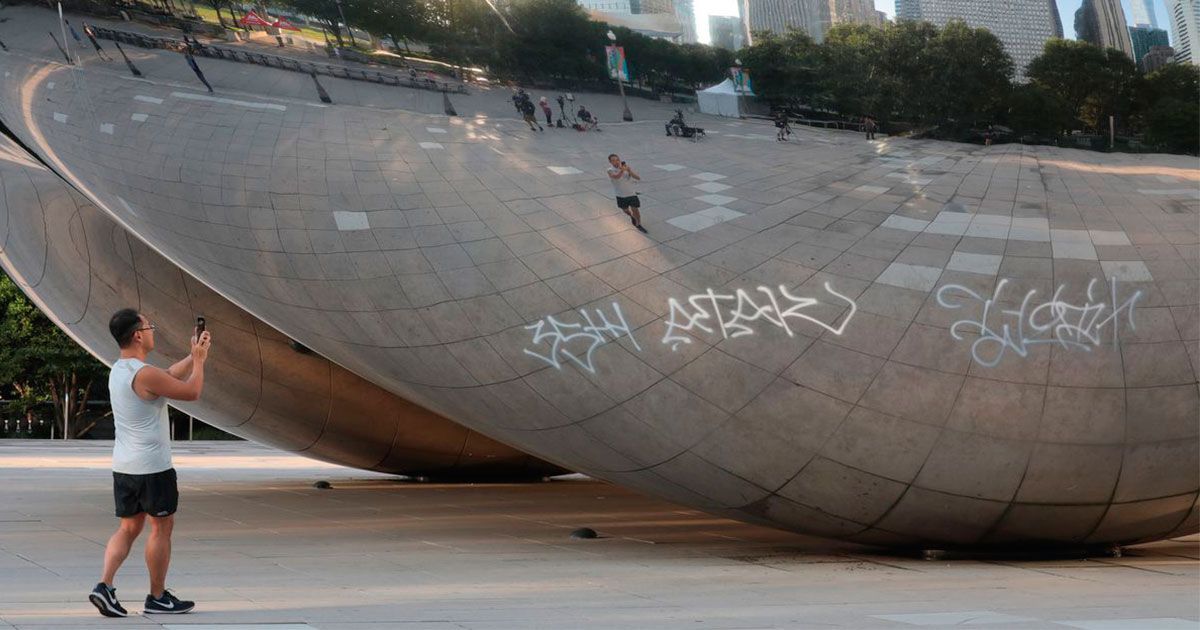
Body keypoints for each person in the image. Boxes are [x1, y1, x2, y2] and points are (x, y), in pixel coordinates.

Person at [89, 309, 211, 618]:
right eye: (149, 327)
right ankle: (157, 597)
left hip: (124, 466)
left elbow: (167, 375)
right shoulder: (144, 374)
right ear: (137, 335)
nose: (152, 330)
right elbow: (192, 392)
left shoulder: (121, 369)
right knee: (161, 528)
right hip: (153, 468)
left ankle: (105, 585)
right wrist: (199, 361)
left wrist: (191, 354)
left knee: (128, 527)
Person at [607, 154, 646, 233]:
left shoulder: (626, 168)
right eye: (613, 160)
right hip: (620, 195)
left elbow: (637, 178)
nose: (616, 162)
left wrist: (629, 171)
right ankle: (631, 216)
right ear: (610, 162)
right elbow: (616, 177)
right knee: (625, 210)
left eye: (617, 160)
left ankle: (638, 224)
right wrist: (622, 170)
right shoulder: (610, 170)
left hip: (631, 193)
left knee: (635, 210)